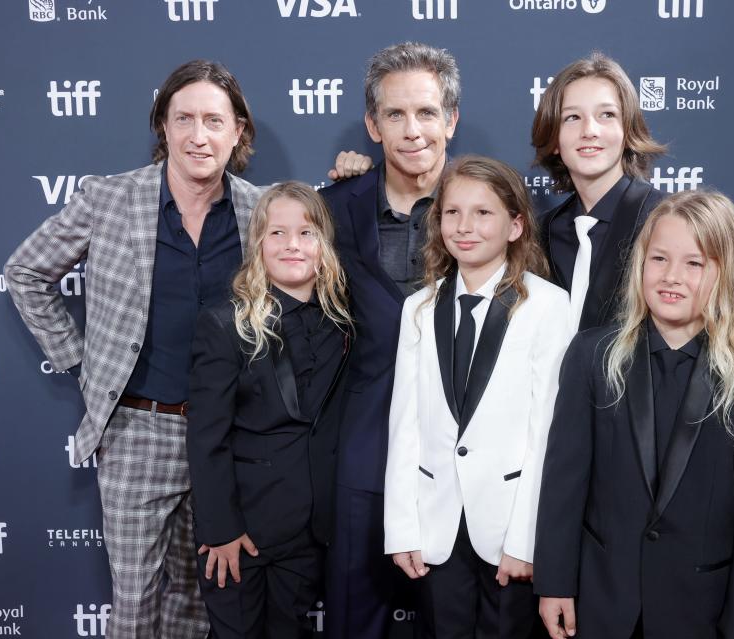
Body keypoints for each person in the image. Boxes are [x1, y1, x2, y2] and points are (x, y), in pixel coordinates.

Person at [3, 59, 368, 638]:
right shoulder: (110, 200)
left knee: (206, 603)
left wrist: (355, 176)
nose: (200, 135)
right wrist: (79, 360)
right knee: (136, 603)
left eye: (214, 121)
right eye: (185, 119)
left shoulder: (260, 210)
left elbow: (315, 232)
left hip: (233, 442)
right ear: (164, 128)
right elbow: (25, 272)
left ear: (238, 132)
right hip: (137, 432)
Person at [533, 190, 734, 639]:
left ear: (726, 274)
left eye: (695, 263)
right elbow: (564, 483)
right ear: (640, 264)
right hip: (601, 602)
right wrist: (554, 583)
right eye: (659, 259)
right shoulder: (592, 356)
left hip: (698, 613)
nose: (672, 277)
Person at [386, 155, 572, 638]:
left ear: (515, 225)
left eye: (483, 213)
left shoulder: (548, 306)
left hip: (508, 528)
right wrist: (402, 528)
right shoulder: (418, 309)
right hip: (437, 526)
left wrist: (526, 540)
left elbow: (547, 433)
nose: (464, 227)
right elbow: (405, 425)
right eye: (452, 213)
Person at [318, 41, 461, 639]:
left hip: (462, 458)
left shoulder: (489, 209)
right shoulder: (328, 210)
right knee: (357, 618)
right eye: (396, 115)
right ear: (373, 126)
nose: (413, 130)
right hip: (361, 451)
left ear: (451, 119)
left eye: (427, 113)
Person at [186, 182, 354, 638]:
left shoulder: (345, 322)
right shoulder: (225, 324)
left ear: (324, 244)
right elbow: (207, 438)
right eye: (277, 233)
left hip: (311, 534)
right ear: (258, 244)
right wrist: (220, 530)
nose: (292, 245)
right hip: (242, 533)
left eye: (305, 233)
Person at [532, 52, 666, 332]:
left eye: (607, 115)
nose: (589, 130)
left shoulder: (664, 221)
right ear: (554, 139)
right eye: (572, 117)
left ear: (627, 130)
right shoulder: (543, 233)